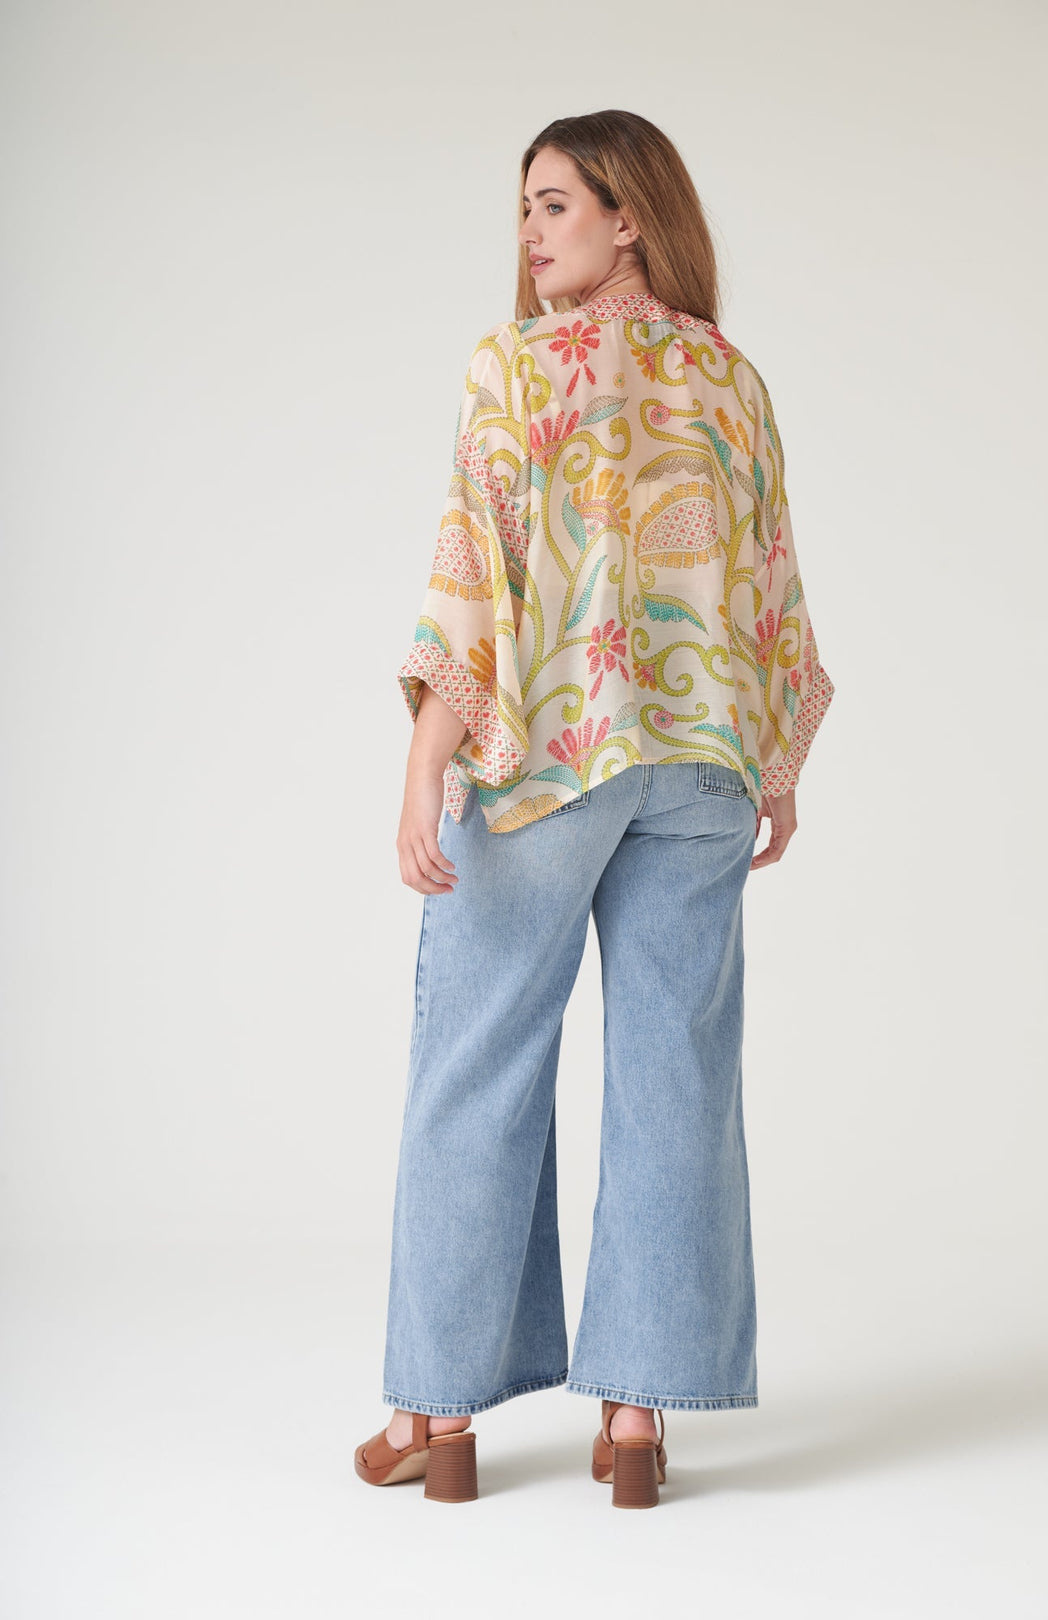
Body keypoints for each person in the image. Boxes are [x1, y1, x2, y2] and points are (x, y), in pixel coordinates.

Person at [354, 109, 836, 1509]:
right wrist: (777, 768)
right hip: (702, 764)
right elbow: (768, 585)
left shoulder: (516, 366)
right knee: (677, 1074)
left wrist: (426, 757)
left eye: (554, 203)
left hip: (553, 762)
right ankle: (636, 1419)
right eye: (523, 207)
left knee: (477, 1062)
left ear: (631, 215)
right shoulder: (733, 379)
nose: (529, 231)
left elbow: (477, 576)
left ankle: (437, 1413)